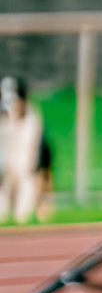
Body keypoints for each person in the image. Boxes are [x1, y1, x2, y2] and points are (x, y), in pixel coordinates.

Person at [0, 75, 51, 223]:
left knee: (21, 216)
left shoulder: (33, 123)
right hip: (2, 178)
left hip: (26, 177)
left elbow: (43, 159)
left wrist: (43, 195)